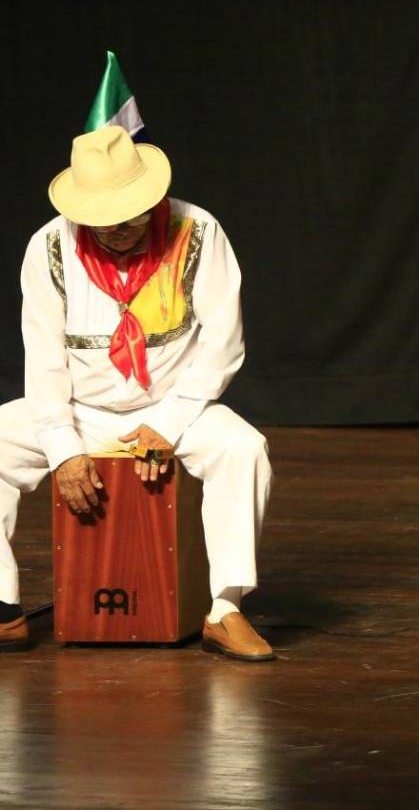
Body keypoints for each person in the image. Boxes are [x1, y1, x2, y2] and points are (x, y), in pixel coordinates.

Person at [0, 125, 274, 661]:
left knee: (244, 449)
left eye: (127, 216)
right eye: (99, 221)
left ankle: (225, 607)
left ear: (152, 202)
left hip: (176, 406)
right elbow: (45, 358)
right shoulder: (49, 246)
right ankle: (3, 609)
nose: (114, 231)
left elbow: (223, 342)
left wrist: (167, 424)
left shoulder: (197, 231)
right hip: (80, 411)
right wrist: (63, 448)